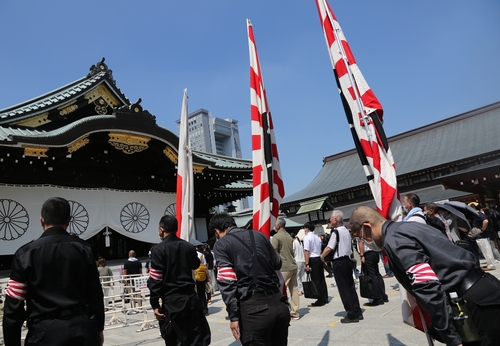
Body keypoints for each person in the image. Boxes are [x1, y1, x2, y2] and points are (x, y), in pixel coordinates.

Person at [350, 205, 500, 345]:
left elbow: (427, 286)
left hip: (472, 302)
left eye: (360, 237)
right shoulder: (410, 227)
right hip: (486, 286)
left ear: (367, 227)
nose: (363, 241)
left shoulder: (394, 240)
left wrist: (450, 336)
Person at [3, 197, 104, 346]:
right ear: (69, 220)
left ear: (41, 220)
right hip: (83, 331)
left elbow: (13, 306)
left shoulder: (25, 254)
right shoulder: (84, 249)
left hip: (44, 334)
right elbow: (95, 292)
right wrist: (99, 328)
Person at [210, 214, 289, 346]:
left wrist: (233, 316)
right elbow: (277, 263)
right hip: (278, 303)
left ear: (216, 230)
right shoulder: (259, 236)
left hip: (254, 311)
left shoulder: (221, 245)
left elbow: (227, 283)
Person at [147, 215, 210, 346]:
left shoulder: (158, 250)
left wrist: (155, 303)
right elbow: (195, 265)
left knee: (176, 340)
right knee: (196, 338)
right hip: (191, 298)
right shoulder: (188, 247)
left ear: (161, 229)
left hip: (172, 301)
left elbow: (155, 279)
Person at [320, 211, 363, 323]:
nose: (330, 221)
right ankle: (357, 312)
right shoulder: (346, 231)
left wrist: (322, 256)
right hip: (348, 260)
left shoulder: (336, 232)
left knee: (344, 289)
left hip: (339, 262)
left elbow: (330, 247)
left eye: (330, 219)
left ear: (335, 219)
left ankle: (351, 314)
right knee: (351, 287)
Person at [272, 218, 300, 320]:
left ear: (278, 226)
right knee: (294, 290)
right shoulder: (289, 236)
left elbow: (274, 253)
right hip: (293, 265)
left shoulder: (276, 236)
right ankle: (295, 312)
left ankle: (281, 311)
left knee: (280, 290)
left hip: (284, 267)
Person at [303, 221, 328, 306]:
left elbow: (307, 251)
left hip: (312, 259)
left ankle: (319, 299)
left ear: (307, 228)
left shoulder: (307, 238)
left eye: (305, 228)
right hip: (319, 258)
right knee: (321, 279)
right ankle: (325, 297)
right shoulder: (317, 237)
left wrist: (306, 264)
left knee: (315, 279)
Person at [471, 204, 497, 270]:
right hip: (482, 235)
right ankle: (489, 264)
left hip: (482, 236)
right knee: (486, 251)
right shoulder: (478, 214)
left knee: (486, 251)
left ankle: (491, 265)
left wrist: (482, 229)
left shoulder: (479, 214)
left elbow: (485, 221)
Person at [291, 232, 306, 297]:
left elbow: (293, 251)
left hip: (297, 260)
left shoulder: (294, 243)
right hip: (302, 260)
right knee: (302, 276)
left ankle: (300, 290)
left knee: (297, 276)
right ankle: (304, 289)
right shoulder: (300, 242)